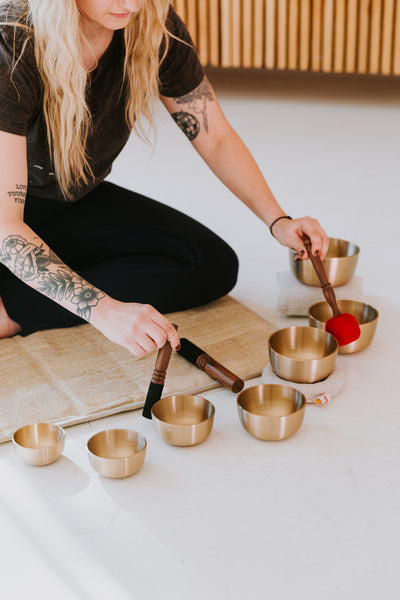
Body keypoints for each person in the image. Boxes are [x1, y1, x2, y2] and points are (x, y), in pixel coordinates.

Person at [0, 0, 329, 358]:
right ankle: (10, 314)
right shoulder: (12, 45)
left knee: (209, 263)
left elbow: (214, 135)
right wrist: (103, 309)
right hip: (8, 214)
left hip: (69, 198)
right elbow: (6, 227)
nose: (131, 3)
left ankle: (19, 293)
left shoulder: (151, 24)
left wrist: (277, 219)